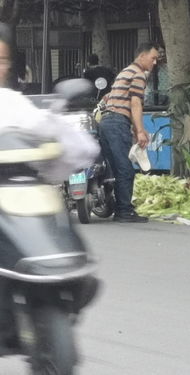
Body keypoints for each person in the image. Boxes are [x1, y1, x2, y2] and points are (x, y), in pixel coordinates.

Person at [0, 23, 99, 347]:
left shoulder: (15, 103)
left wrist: (60, 132)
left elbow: (64, 139)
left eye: (2, 59)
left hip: (21, 187)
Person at [99, 42, 159, 223]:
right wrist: (140, 131)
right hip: (117, 123)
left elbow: (110, 98)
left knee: (112, 168)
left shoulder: (124, 72)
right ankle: (124, 211)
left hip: (106, 122)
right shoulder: (139, 74)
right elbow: (135, 103)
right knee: (125, 169)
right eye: (153, 58)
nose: (155, 62)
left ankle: (113, 205)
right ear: (142, 56)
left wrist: (135, 128)